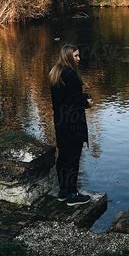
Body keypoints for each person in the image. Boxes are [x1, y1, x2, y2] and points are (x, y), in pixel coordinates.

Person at [49, 43, 93, 206]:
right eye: (76, 56)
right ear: (68, 56)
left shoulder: (55, 73)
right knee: (73, 159)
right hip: (73, 123)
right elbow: (74, 101)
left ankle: (63, 191)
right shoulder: (71, 75)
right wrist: (87, 102)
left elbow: (62, 100)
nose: (79, 59)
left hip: (60, 123)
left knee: (63, 157)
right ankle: (73, 195)